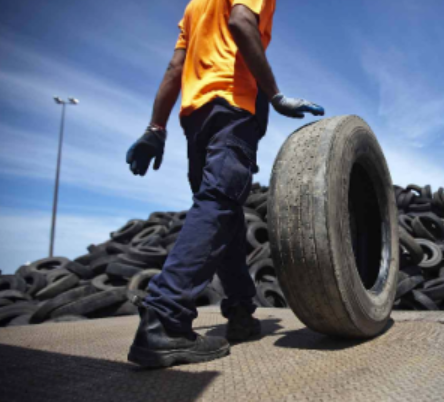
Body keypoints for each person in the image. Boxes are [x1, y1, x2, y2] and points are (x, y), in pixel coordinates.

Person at [124, 0, 324, 368]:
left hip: (197, 118)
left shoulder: (194, 6)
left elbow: (175, 67)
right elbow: (241, 21)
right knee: (219, 203)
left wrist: (156, 128)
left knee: (223, 212)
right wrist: (275, 95)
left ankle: (241, 311)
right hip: (233, 108)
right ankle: (164, 318)